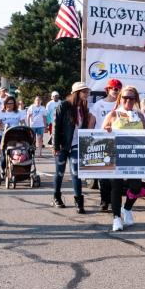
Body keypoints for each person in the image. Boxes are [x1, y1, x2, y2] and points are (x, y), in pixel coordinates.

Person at [103, 86, 145, 231]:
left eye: (131, 98)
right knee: (116, 187)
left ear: (135, 99)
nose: (128, 100)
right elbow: (100, 135)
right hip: (116, 156)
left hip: (135, 157)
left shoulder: (140, 116)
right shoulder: (113, 114)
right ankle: (116, 218)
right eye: (125, 97)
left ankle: (127, 209)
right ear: (120, 99)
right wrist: (107, 131)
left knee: (136, 187)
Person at [52, 82, 94, 212]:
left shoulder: (84, 107)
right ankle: (56, 197)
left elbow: (85, 125)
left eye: (87, 92)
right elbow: (56, 126)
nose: (86, 94)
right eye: (84, 92)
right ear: (76, 93)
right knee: (60, 172)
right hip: (63, 145)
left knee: (76, 172)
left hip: (77, 143)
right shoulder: (63, 106)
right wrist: (55, 145)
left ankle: (79, 202)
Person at [90, 79, 122, 212]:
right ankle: (104, 201)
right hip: (101, 141)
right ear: (108, 89)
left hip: (117, 142)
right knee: (103, 175)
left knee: (115, 176)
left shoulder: (121, 105)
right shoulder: (98, 105)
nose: (116, 91)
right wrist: (89, 140)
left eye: (118, 89)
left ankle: (114, 201)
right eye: (114, 89)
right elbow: (91, 123)